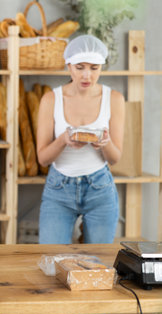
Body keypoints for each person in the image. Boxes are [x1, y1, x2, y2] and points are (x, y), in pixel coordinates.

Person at [37, 35, 125, 246]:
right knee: (51, 260)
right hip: (59, 188)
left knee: (98, 265)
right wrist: (63, 140)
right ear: (69, 66)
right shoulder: (51, 99)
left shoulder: (114, 99)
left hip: (100, 189)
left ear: (102, 67)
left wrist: (105, 144)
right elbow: (42, 158)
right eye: (80, 67)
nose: (87, 75)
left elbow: (115, 158)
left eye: (94, 68)